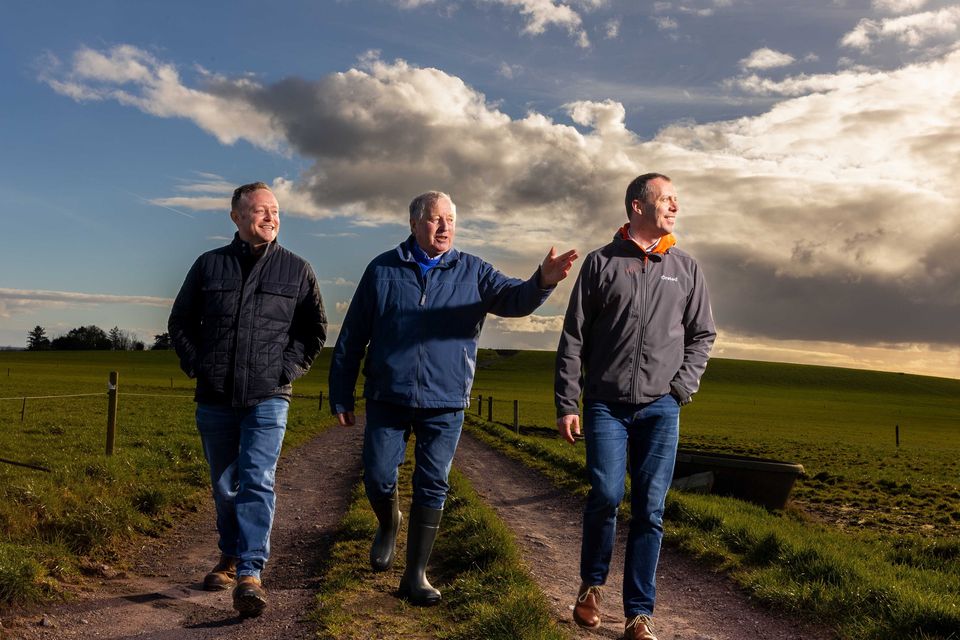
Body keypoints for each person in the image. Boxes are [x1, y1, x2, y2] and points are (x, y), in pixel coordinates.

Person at [329, 190, 577, 605]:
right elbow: (353, 334)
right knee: (377, 475)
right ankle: (388, 521)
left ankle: (414, 576)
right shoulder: (382, 270)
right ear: (413, 224)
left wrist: (542, 282)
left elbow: (514, 299)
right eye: (434, 218)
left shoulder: (473, 270)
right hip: (388, 395)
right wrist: (341, 394)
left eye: (450, 219)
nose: (444, 227)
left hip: (445, 399)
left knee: (433, 483)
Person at [555, 173, 716, 640]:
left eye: (675, 200)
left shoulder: (685, 268)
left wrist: (680, 389)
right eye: (667, 199)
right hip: (606, 405)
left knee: (650, 509)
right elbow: (573, 339)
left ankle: (639, 614)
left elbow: (702, 334)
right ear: (637, 206)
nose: (675, 206)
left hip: (661, 409)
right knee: (606, 495)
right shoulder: (601, 263)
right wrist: (569, 402)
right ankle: (590, 587)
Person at [168, 182, 327, 618]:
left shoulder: (297, 269)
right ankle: (230, 554)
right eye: (260, 211)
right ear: (236, 217)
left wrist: (284, 371)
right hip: (215, 395)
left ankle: (251, 573)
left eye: (275, 211)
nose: (270, 218)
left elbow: (314, 331)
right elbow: (179, 322)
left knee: (257, 479)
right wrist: (200, 366)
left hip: (268, 396)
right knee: (224, 485)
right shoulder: (209, 265)